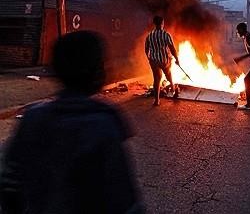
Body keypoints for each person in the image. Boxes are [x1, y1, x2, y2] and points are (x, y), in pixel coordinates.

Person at [0, 31, 143, 214]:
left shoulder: (33, 118)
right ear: (97, 73)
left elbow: (10, 186)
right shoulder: (104, 124)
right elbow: (124, 202)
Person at [145, 15, 180, 106]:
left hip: (154, 60)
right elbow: (172, 48)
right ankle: (173, 89)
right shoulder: (166, 35)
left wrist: (149, 57)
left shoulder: (150, 35)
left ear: (154, 24)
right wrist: (177, 59)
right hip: (165, 60)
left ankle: (157, 101)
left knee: (157, 79)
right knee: (169, 76)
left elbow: (146, 48)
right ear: (162, 23)